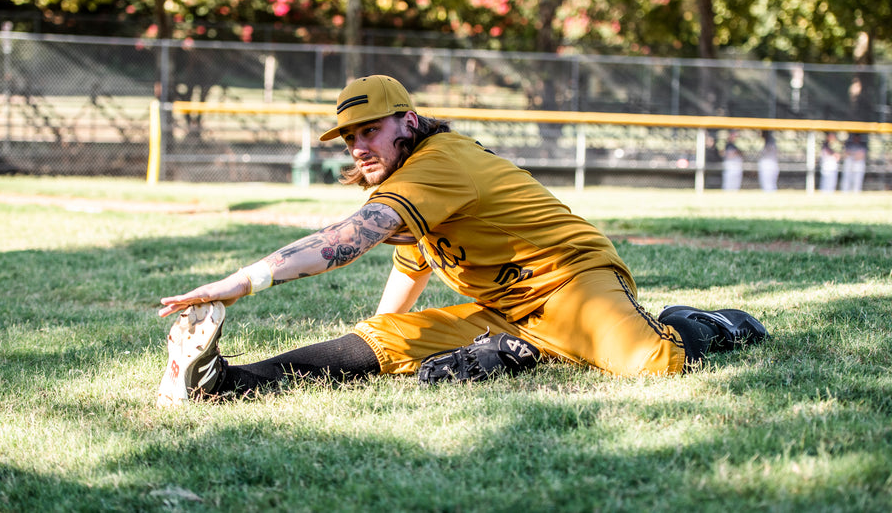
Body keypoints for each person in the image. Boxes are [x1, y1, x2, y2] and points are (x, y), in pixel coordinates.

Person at [155, 75, 768, 405]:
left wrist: (242, 282)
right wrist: (380, 337)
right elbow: (413, 263)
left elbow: (344, 241)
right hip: (505, 309)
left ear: (410, 122)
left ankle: (706, 322)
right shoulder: (409, 175)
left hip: (570, 282)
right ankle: (225, 384)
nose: (360, 145)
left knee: (655, 365)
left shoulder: (439, 164)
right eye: (349, 137)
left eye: (371, 129)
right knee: (386, 340)